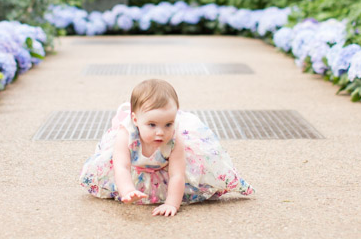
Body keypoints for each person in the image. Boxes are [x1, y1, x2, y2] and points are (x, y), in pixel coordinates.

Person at [79, 79, 254, 216]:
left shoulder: (174, 140)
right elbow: (121, 167)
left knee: (188, 180)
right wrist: (127, 191)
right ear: (135, 120)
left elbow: (176, 174)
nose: (160, 133)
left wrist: (172, 203)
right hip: (133, 172)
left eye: (168, 124)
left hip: (164, 174)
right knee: (117, 174)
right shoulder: (125, 135)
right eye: (152, 125)